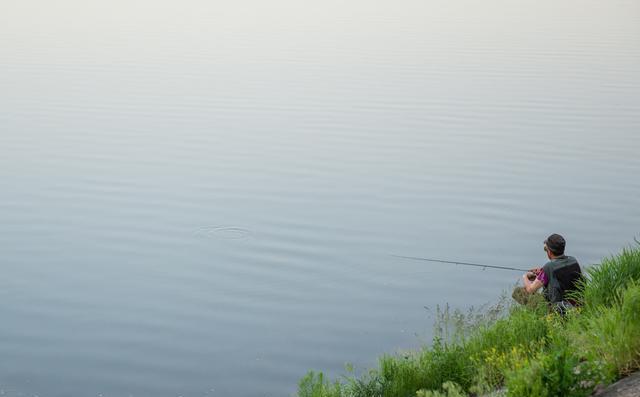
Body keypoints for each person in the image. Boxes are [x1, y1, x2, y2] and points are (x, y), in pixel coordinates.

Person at [514, 234, 583, 313]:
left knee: (518, 292)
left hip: (558, 309)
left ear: (549, 251)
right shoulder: (573, 260)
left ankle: (542, 315)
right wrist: (542, 272)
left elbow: (530, 290)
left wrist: (525, 277)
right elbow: (562, 273)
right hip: (577, 305)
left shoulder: (548, 267)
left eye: (545, 249)